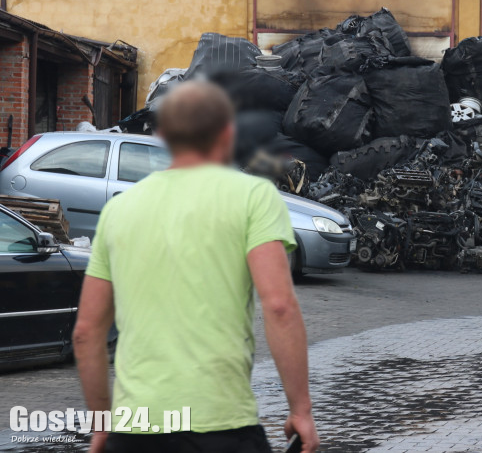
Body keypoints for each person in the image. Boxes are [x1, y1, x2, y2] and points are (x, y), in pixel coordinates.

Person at [73, 81, 319, 453]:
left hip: (135, 430)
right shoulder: (253, 196)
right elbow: (280, 307)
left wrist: (101, 425)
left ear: (163, 136)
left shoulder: (119, 210)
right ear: (227, 133)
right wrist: (300, 409)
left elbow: (87, 333)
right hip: (221, 427)